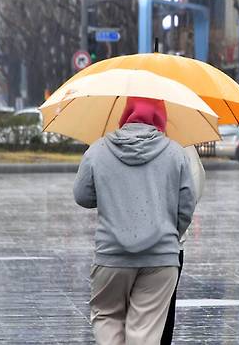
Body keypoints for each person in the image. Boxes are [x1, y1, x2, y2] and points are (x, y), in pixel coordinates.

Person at [73, 96, 196, 345]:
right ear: (160, 117)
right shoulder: (176, 153)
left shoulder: (98, 150)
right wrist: (168, 234)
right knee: (145, 332)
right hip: (161, 258)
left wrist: (110, 193)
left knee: (107, 316)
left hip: (111, 256)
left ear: (125, 114)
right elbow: (186, 207)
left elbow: (82, 196)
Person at [161, 146, 205, 345]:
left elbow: (86, 194)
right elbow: (193, 191)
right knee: (163, 313)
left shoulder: (108, 142)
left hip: (119, 247)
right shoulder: (184, 146)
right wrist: (174, 231)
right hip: (169, 245)